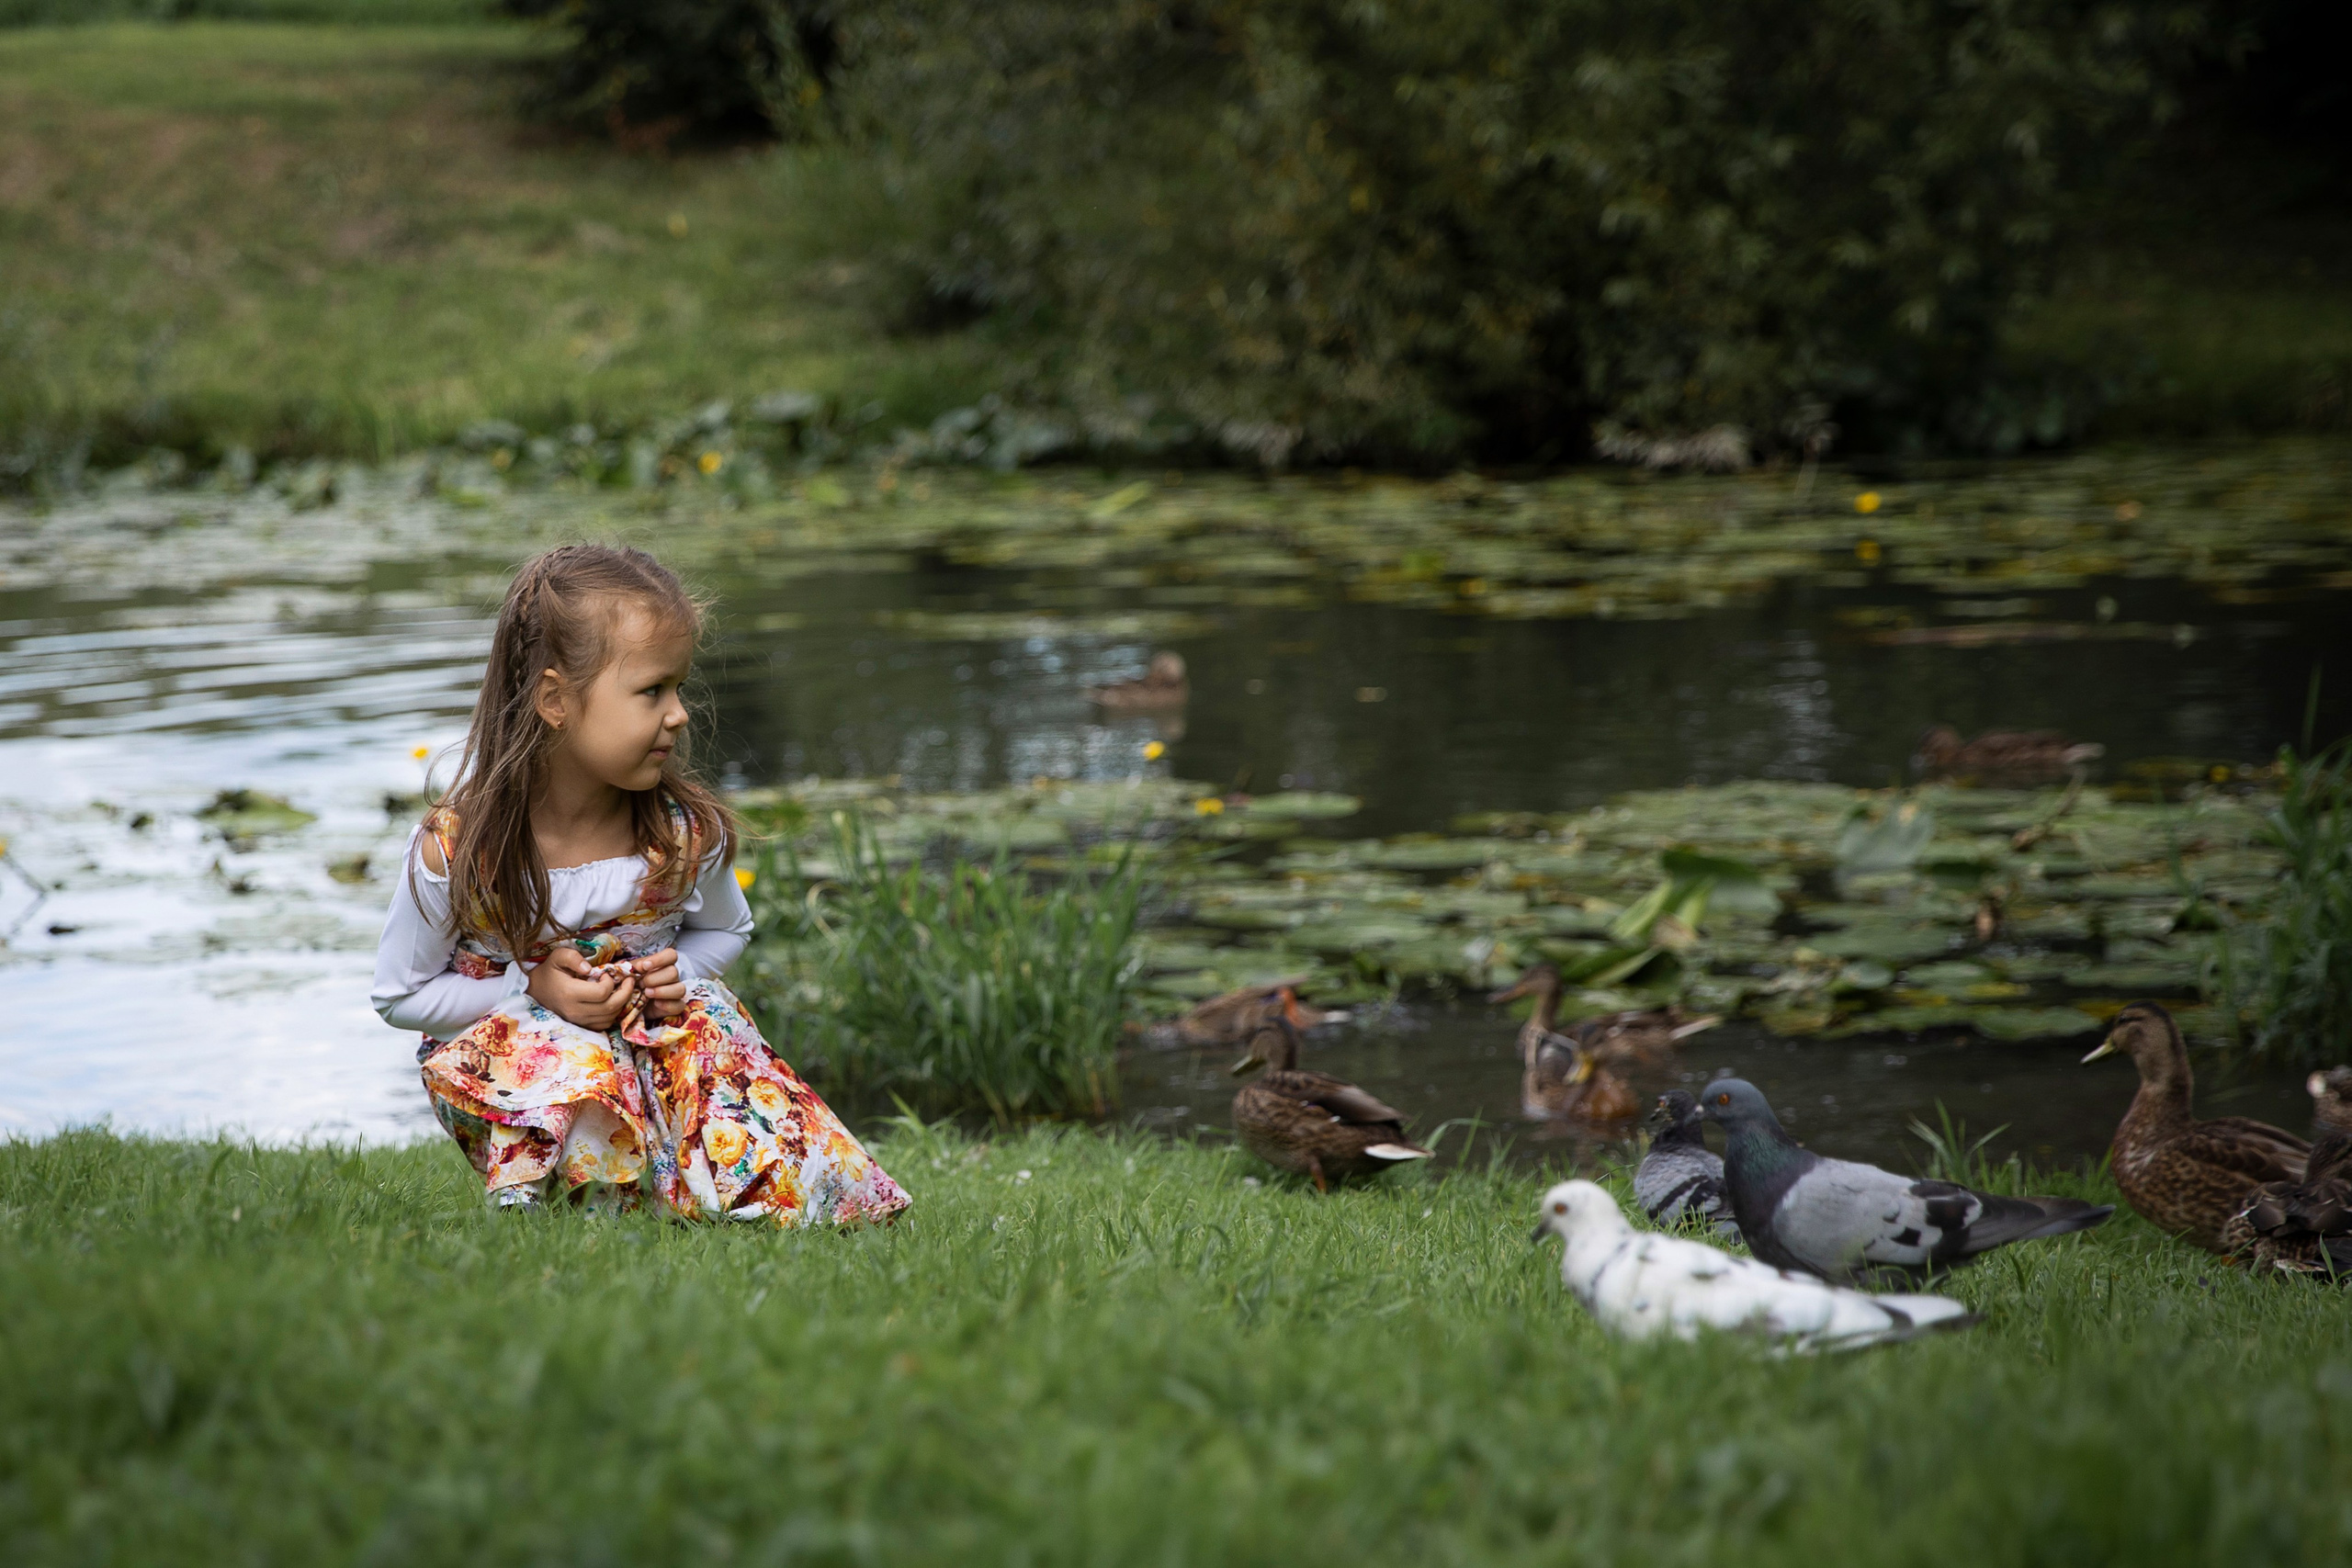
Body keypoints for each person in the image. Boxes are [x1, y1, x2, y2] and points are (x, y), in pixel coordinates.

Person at [371, 544, 909, 1224]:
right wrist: (527, 986)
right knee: (562, 1044)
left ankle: (762, 1191)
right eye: (652, 690)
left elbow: (727, 929)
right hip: (518, 1063)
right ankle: (550, 1193)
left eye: (678, 687)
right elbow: (399, 993)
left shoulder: (677, 834)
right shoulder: (463, 848)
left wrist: (675, 969)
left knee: (708, 1017)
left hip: (652, 1046)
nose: (679, 712)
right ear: (555, 700)